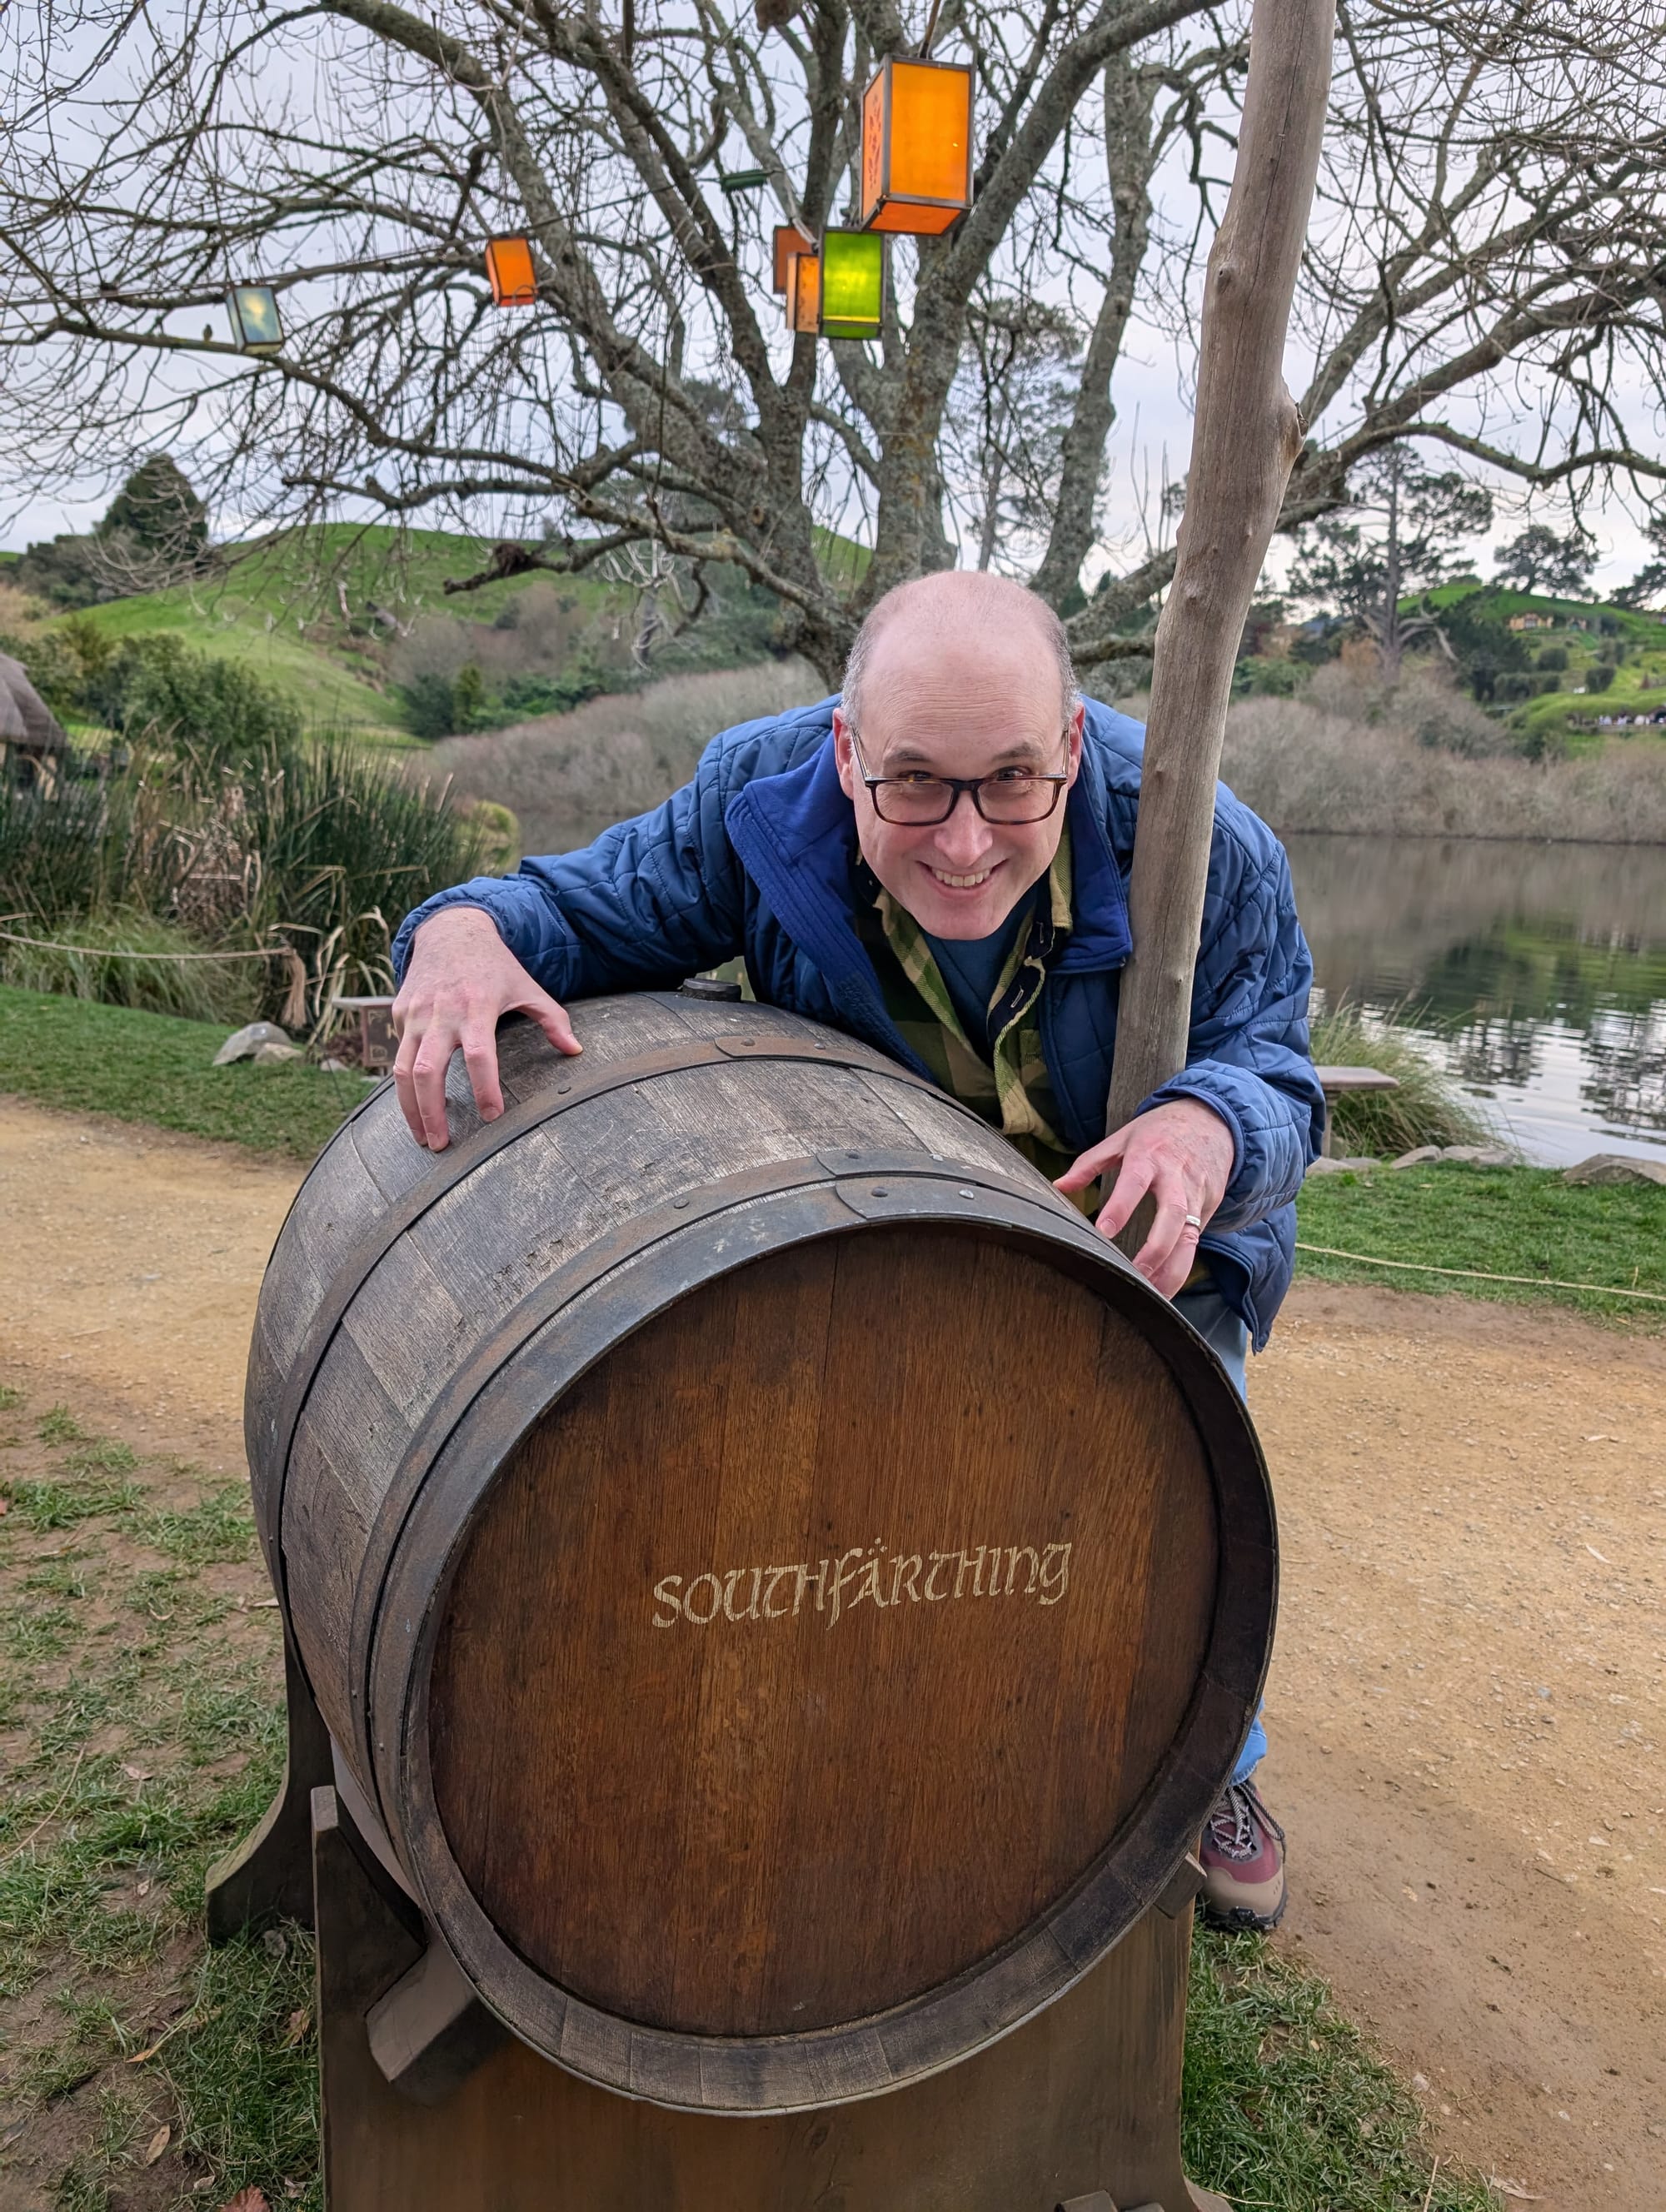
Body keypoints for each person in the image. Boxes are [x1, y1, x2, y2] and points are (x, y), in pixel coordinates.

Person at [391, 570, 1323, 1931]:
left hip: (1149, 1239)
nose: (961, 842)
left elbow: (1280, 1072)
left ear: (1071, 746)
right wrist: (463, 935)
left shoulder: (1205, 840)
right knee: (909, 1516)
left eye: (1011, 781)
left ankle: (1211, 1767)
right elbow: (568, 912)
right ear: (844, 751)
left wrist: (1206, 1130)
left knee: (1167, 1503)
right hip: (900, 1230)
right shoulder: (754, 805)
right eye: (913, 786)